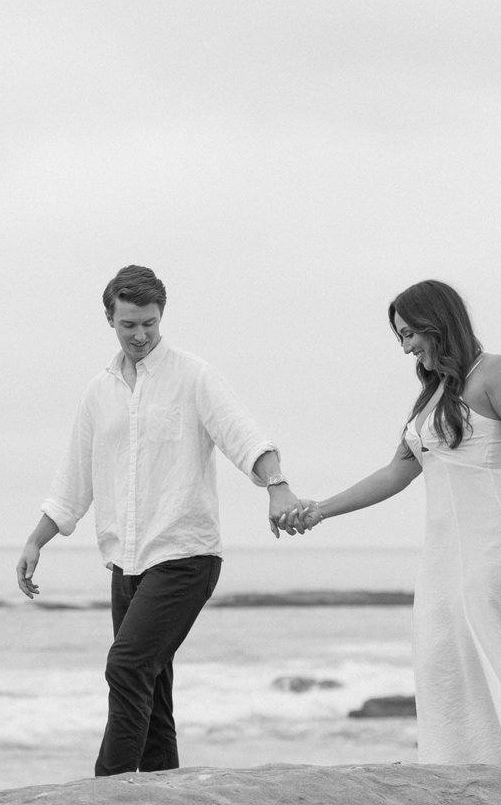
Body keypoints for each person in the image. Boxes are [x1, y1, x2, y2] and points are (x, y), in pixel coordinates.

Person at [281, 280, 501, 767]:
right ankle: (466, 765)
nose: (406, 347)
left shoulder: (495, 372)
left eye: (410, 334)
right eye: (400, 337)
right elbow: (395, 474)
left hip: (493, 536)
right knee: (442, 652)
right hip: (444, 550)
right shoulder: (432, 395)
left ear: (436, 323)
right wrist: (321, 509)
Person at [16, 265, 305, 776]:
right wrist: (36, 540)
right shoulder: (98, 392)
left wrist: (277, 485)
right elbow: (74, 478)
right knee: (152, 691)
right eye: (129, 324)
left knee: (126, 666)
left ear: (161, 316)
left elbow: (243, 435)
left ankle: (107, 793)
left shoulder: (193, 376)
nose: (140, 335)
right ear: (110, 319)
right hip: (126, 564)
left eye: (149, 323)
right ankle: (164, 797)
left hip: (185, 556)